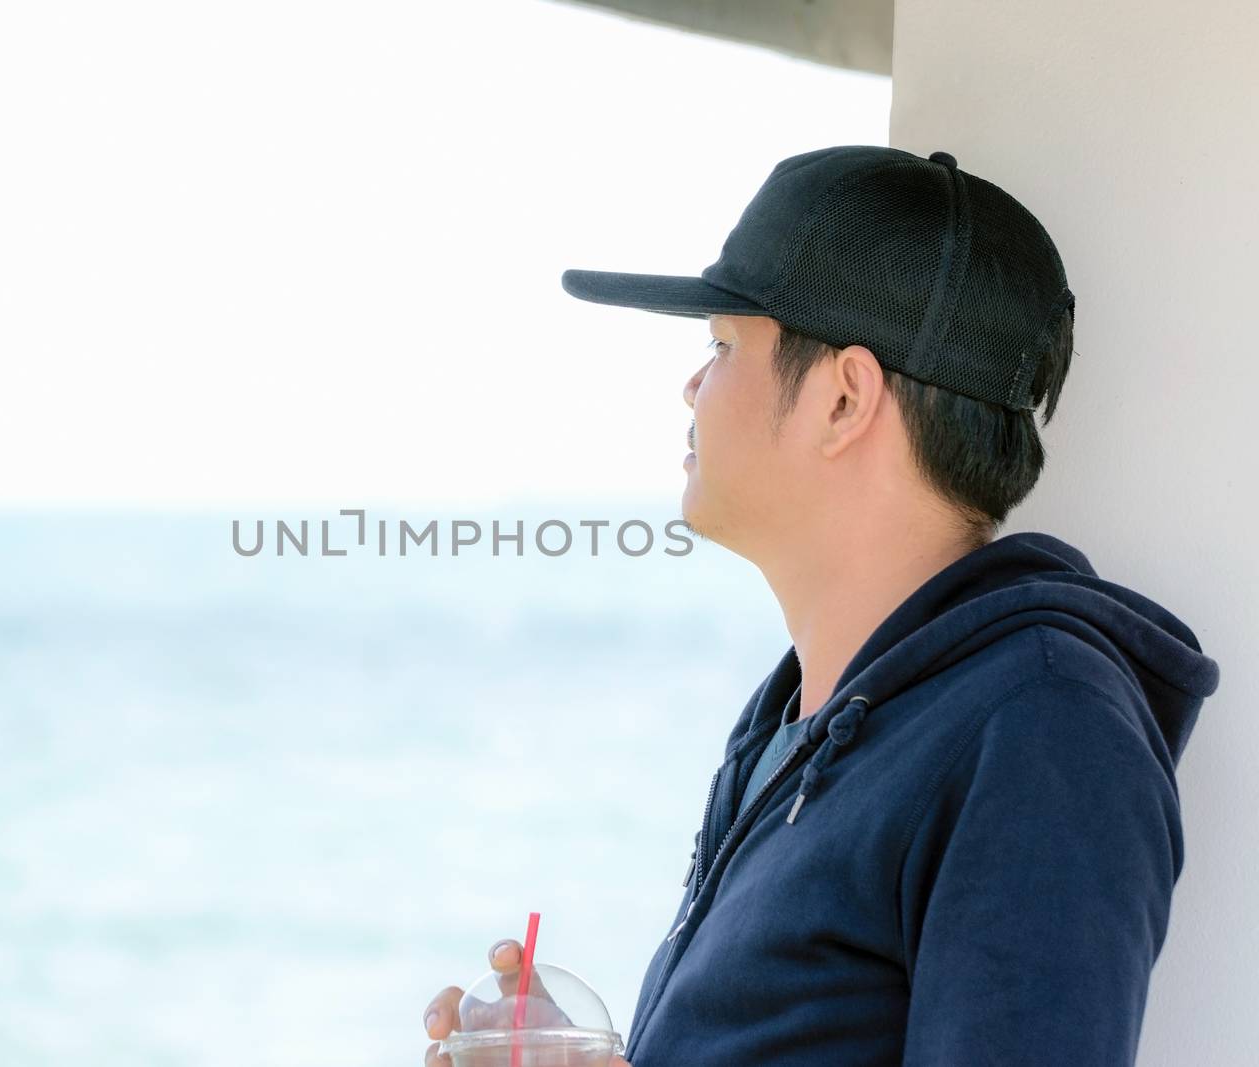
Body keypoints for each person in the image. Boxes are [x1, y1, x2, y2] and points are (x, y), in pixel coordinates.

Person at [420, 145, 1221, 1065]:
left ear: (844, 398)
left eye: (721, 346)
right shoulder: (802, 718)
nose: (691, 386)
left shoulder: (1043, 729)